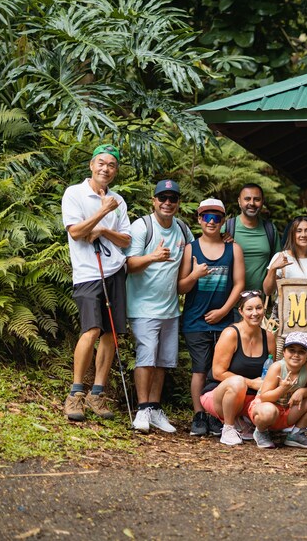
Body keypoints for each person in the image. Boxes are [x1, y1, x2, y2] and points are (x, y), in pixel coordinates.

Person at [62, 144, 131, 421]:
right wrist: (102, 212)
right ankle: (76, 393)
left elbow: (126, 239)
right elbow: (76, 232)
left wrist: (103, 229)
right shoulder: (74, 193)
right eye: (101, 163)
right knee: (91, 330)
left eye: (111, 165)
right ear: (91, 165)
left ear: (115, 171)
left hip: (114, 270)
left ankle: (97, 393)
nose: (105, 169)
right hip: (88, 273)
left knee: (110, 335)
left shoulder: (119, 200)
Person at [125, 180, 193, 433]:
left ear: (178, 203)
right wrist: (153, 256)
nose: (167, 203)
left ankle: (154, 408)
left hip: (170, 308)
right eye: (162, 198)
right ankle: (142, 410)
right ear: (153, 201)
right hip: (143, 307)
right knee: (146, 357)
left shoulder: (183, 229)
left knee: (163, 361)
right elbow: (129, 264)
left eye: (172, 199)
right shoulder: (142, 227)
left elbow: (196, 250)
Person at [179, 198, 245, 437]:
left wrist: (225, 311)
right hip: (195, 320)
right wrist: (195, 274)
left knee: (219, 371)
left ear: (223, 221)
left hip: (224, 320)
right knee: (199, 369)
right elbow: (182, 287)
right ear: (198, 219)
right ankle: (199, 414)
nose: (211, 221)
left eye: (216, 217)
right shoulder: (190, 248)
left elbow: (239, 284)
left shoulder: (233, 248)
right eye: (206, 216)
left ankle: (216, 414)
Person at [200, 290, 275, 446]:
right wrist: (251, 383)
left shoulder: (268, 337)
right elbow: (217, 372)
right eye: (249, 309)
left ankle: (251, 425)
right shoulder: (230, 334)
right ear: (241, 311)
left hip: (251, 397)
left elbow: (272, 370)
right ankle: (228, 428)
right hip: (219, 395)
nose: (255, 313)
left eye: (259, 308)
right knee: (238, 382)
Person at [249, 331, 307, 449]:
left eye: (301, 352)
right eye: (292, 350)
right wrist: (282, 388)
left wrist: (301, 391)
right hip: (266, 409)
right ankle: (261, 431)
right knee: (268, 411)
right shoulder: (277, 367)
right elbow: (264, 397)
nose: (296, 355)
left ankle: (296, 434)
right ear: (284, 352)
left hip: (288, 409)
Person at [224, 183, 280, 291]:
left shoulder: (270, 230)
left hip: (261, 303)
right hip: (231, 302)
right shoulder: (227, 228)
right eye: (247, 199)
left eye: (257, 199)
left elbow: (277, 266)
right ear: (239, 201)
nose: (252, 203)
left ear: (262, 202)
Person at [264, 215, 307, 296]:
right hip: (285, 308)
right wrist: (273, 268)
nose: (303, 235)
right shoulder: (282, 257)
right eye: (299, 231)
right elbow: (267, 291)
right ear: (293, 235)